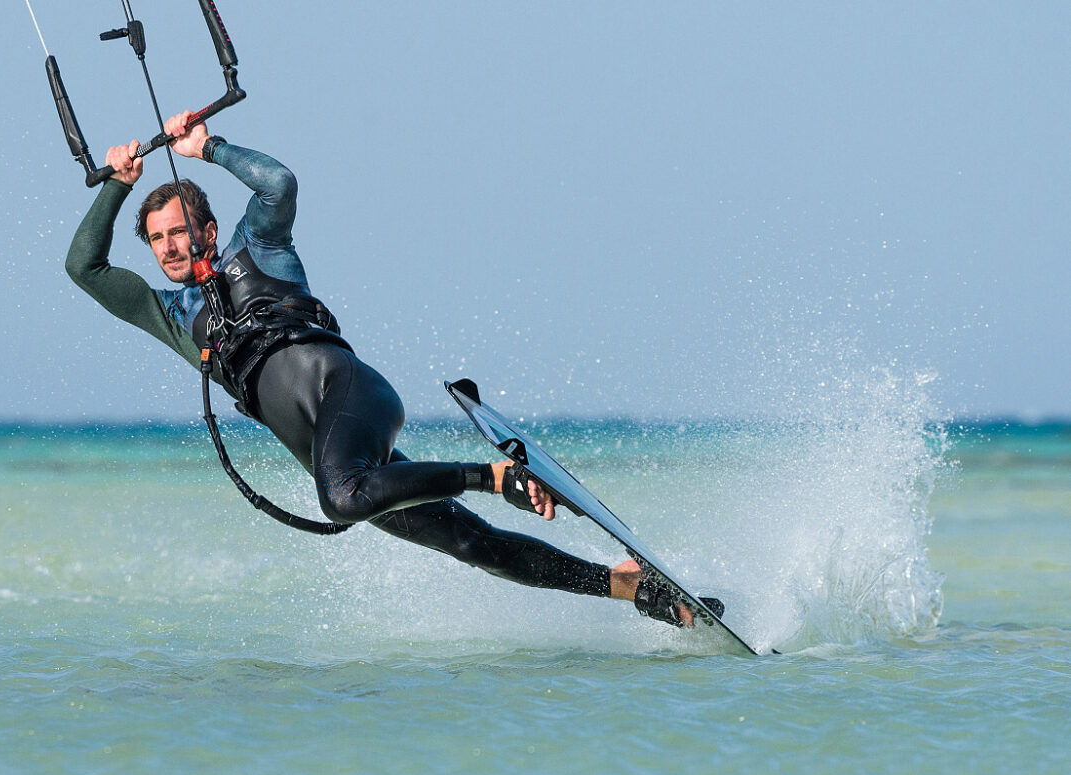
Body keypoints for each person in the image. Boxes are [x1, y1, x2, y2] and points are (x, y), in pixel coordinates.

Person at [65, 110, 698, 629]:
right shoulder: (173, 317)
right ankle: (634, 589)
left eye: (178, 232)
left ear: (205, 226)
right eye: (156, 240)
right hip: (341, 458)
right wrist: (118, 183)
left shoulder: (255, 245)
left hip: (352, 395)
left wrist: (211, 147)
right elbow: (83, 268)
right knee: (473, 546)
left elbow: (279, 184)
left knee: (340, 498)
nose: (169, 248)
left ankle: (497, 475)